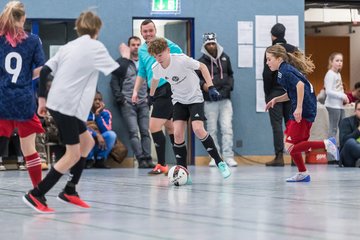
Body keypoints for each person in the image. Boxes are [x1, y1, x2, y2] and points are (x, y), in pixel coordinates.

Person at [23, 10, 121, 213]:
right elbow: (119, 71)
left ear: (79, 27)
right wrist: (126, 57)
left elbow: (44, 72)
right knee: (73, 153)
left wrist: (41, 100)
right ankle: (37, 193)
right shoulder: (95, 47)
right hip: (68, 107)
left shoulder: (68, 47)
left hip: (58, 104)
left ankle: (70, 189)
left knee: (88, 142)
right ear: (97, 29)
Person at [147, 37, 231, 180]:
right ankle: (184, 172)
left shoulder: (181, 60)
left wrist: (210, 87)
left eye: (160, 55)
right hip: (179, 101)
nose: (158, 59)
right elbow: (155, 79)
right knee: (178, 134)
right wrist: (151, 95)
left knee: (198, 129)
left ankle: (220, 162)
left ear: (167, 50)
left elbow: (203, 67)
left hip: (195, 98)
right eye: (155, 56)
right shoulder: (157, 67)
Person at [265, 44, 339, 182]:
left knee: (290, 146)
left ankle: (327, 144)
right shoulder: (283, 70)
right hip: (305, 108)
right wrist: (277, 99)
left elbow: (299, 85)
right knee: (292, 143)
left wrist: (298, 108)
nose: (267, 62)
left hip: (304, 109)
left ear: (279, 58)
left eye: (269, 59)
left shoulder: (285, 71)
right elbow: (292, 92)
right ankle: (303, 172)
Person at [0, 1, 44, 184]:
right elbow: (42, 68)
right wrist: (26, 77)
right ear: (24, 18)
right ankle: (38, 192)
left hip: (2, 98)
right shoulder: (33, 40)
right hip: (24, 100)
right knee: (29, 149)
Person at [132, 19, 182, 175]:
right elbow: (142, 72)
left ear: (155, 31)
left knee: (153, 126)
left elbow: (179, 53)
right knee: (170, 126)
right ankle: (180, 164)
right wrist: (135, 91)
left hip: (167, 89)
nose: (148, 34)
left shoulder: (164, 43)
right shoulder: (141, 50)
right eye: (145, 31)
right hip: (153, 91)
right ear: (141, 33)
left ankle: (162, 164)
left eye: (151, 30)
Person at [111, 36, 153, 168]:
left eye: (138, 44)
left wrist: (150, 98)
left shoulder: (146, 62)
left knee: (145, 132)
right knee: (133, 132)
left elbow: (153, 80)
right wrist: (121, 99)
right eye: (133, 45)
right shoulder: (121, 63)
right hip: (128, 103)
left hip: (143, 102)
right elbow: (114, 82)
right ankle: (140, 159)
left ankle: (148, 158)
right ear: (129, 47)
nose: (136, 47)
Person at [197, 32, 237, 167]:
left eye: (213, 43)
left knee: (227, 128)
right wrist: (208, 89)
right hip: (209, 101)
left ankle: (228, 156)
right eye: (209, 44)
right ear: (205, 45)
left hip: (225, 100)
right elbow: (199, 80)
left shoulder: (225, 58)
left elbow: (230, 75)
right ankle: (215, 157)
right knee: (212, 130)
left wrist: (228, 89)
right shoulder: (201, 62)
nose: (212, 46)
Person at [263, 23, 297, 167]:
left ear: (273, 36)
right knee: (291, 124)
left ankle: (279, 157)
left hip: (275, 91)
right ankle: (295, 157)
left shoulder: (271, 50)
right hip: (290, 90)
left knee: (276, 125)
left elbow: (267, 74)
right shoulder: (293, 49)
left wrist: (268, 94)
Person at [86, 91, 117, 169]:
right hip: (87, 146)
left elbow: (106, 130)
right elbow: (81, 128)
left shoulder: (106, 113)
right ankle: (89, 160)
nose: (97, 102)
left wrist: (98, 115)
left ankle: (100, 160)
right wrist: (96, 135)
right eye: (95, 99)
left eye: (99, 99)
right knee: (85, 134)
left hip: (100, 145)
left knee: (111, 135)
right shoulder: (84, 112)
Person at [324, 52, 349, 139]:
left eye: (341, 61)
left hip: (339, 105)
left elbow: (339, 89)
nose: (339, 62)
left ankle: (342, 150)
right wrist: (342, 96)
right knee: (333, 129)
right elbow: (328, 91)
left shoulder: (338, 74)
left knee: (343, 128)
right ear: (331, 62)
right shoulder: (330, 74)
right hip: (333, 106)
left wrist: (344, 97)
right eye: (337, 60)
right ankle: (331, 152)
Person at [339, 100, 360, 167]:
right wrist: (358, 130)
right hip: (348, 156)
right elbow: (343, 141)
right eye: (359, 110)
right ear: (355, 111)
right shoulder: (346, 122)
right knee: (350, 142)